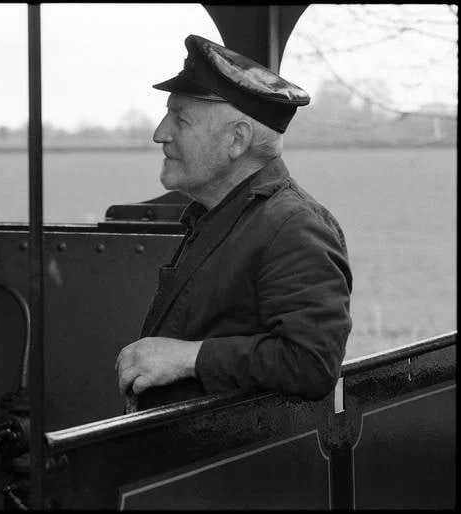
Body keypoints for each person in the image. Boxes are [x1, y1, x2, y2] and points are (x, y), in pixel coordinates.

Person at [115, 35, 353, 411]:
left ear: (236, 140)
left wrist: (188, 358)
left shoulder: (294, 228)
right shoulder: (220, 214)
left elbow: (311, 363)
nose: (160, 133)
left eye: (180, 119)